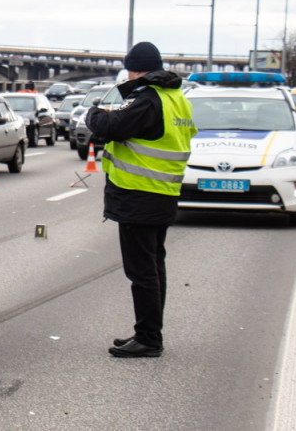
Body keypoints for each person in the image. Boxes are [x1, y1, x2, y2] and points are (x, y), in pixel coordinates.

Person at [85, 41, 197, 358]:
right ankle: (149, 332)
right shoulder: (176, 98)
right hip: (162, 193)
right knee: (153, 267)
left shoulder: (149, 100)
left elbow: (110, 126)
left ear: (135, 69)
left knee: (142, 272)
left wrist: (94, 113)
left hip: (138, 195)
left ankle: (148, 338)